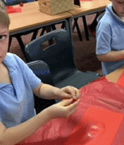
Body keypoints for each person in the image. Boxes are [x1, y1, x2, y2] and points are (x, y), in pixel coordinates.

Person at [0, 1, 81, 144]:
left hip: (35, 134)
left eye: (1, 37)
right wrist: (48, 114)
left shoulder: (13, 61)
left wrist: (59, 92)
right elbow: (4, 138)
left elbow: (39, 88)